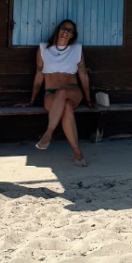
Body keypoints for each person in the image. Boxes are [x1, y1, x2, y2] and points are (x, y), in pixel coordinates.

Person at [19, 19, 93, 166]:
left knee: (63, 93)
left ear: (73, 35)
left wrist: (88, 99)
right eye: (64, 28)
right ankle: (76, 151)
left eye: (70, 30)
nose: (66, 32)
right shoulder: (43, 49)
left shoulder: (76, 49)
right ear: (58, 30)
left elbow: (83, 74)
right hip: (50, 94)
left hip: (73, 92)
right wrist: (32, 100)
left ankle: (48, 133)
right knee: (65, 106)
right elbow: (39, 74)